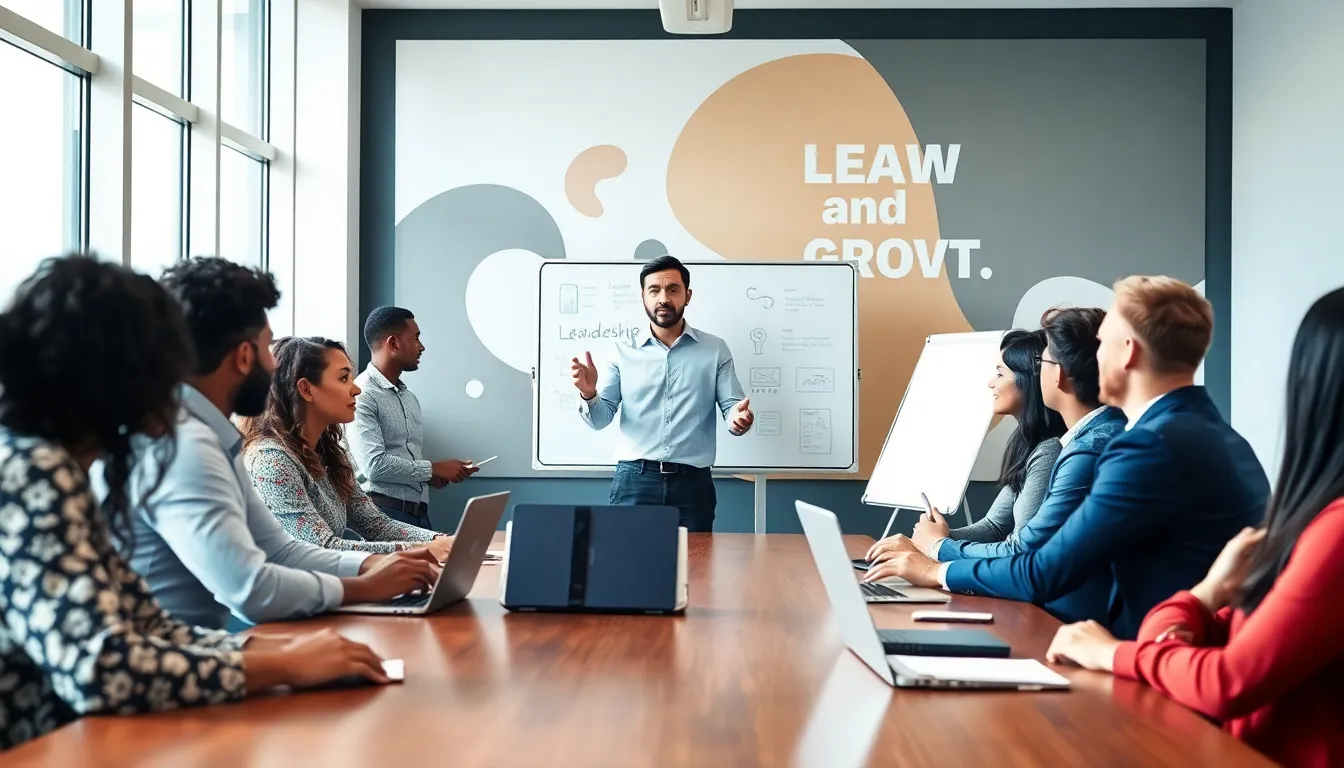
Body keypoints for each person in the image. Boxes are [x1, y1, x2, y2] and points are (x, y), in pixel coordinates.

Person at [0, 256, 396, 751]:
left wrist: (279, 654)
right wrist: (281, 663)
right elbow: (101, 668)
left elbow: (149, 626)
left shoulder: (59, 464)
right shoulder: (33, 469)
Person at [862, 276, 1269, 639]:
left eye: (1102, 344)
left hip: (1148, 665)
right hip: (1178, 647)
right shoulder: (1221, 437)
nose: (1092, 359)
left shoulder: (1145, 446)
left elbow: (1043, 570)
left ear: (1126, 352)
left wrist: (934, 568)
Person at [1045, 287, 1344, 768]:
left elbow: (1227, 681)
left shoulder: (1336, 530)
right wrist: (1204, 595)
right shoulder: (1315, 516)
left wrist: (1113, 654)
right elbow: (1187, 637)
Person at [117, 257, 440, 631]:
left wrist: (382, 566)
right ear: (242, 355)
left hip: (203, 650)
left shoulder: (215, 442)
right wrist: (369, 582)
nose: (274, 368)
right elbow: (250, 589)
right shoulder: (188, 448)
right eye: (268, 348)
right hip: (181, 662)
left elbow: (281, 550)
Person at [874, 307, 1125, 625]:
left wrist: (938, 552)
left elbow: (1024, 553)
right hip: (1064, 614)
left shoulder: (1079, 450)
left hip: (1068, 621)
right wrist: (925, 547)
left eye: (1042, 361)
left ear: (1056, 374)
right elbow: (1003, 533)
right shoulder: (1078, 441)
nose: (990, 383)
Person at [569, 255, 755, 532]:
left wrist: (739, 420)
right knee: (628, 568)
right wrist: (588, 393)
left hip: (693, 484)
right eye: (654, 290)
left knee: (697, 572)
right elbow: (599, 419)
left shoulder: (715, 349)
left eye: (673, 289)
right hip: (635, 480)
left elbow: (732, 409)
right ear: (643, 296)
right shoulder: (622, 351)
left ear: (687, 295)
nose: (663, 298)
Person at [242, 336, 452, 557]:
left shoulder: (330, 455)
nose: (356, 390)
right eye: (343, 378)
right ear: (306, 389)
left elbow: (374, 524)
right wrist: (421, 548)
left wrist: (440, 540)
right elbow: (322, 548)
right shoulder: (271, 460)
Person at [915, 329, 1065, 549]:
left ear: (1029, 380)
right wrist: (927, 540)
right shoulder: (1026, 444)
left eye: (1000, 373)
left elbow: (1022, 550)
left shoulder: (1050, 450)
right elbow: (995, 526)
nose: (991, 383)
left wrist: (940, 545)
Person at [348, 306, 478, 530]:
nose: (422, 347)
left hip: (419, 516)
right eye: (416, 338)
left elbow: (402, 459)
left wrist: (428, 477)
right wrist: (432, 468)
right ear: (393, 343)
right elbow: (374, 466)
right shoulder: (362, 395)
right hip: (382, 517)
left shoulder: (409, 399)